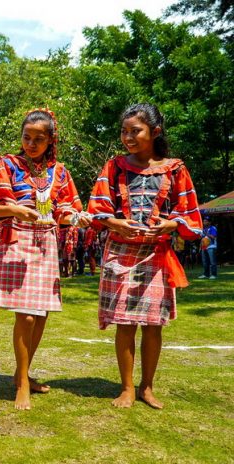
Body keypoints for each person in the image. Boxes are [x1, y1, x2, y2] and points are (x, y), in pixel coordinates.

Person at [87, 103, 202, 409]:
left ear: (155, 132)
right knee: (125, 323)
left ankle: (147, 387)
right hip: (120, 253)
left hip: (156, 255)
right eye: (124, 131)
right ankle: (126, 387)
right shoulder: (114, 167)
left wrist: (171, 224)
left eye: (135, 131)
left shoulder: (175, 169)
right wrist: (113, 222)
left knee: (153, 324)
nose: (128, 137)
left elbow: (188, 213)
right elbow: (96, 208)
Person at [0, 108, 91, 410]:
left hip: (46, 244)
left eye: (38, 139)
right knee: (26, 315)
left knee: (41, 314)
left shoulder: (60, 172)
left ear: (50, 140)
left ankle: (24, 372)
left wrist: (76, 218)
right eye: (26, 137)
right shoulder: (6, 166)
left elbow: (66, 208)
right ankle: (20, 384)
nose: (30, 144)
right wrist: (17, 209)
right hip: (17, 242)